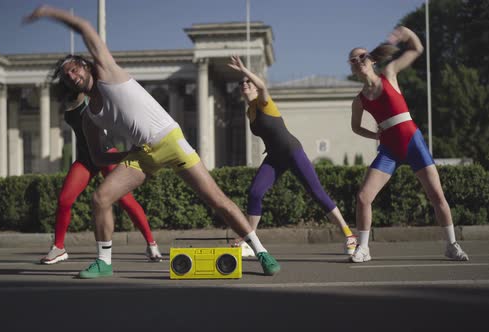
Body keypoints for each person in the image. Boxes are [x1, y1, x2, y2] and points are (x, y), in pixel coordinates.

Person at [24, 5, 280, 279]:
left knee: (217, 201)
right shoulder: (89, 117)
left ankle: (261, 252)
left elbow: (85, 27)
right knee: (101, 198)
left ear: (85, 65)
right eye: (68, 76)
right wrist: (125, 156)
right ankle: (104, 261)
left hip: (170, 140)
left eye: (74, 69)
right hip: (143, 155)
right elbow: (98, 157)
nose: (73, 76)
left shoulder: (107, 71)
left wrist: (51, 13)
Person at [348, 26, 469, 263]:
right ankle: (363, 248)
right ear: (352, 67)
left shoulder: (389, 73)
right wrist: (375, 136)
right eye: (354, 59)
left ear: (371, 60)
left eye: (363, 56)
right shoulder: (359, 100)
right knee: (363, 197)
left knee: (437, 196)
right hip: (389, 150)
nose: (359, 60)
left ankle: (452, 245)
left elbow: (417, 48)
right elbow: (355, 127)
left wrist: (406, 33)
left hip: (413, 142)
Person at [227, 56, 357, 257]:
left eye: (248, 82)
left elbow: (262, 87)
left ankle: (349, 235)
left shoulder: (263, 103)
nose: (244, 84)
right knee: (254, 193)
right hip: (275, 157)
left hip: (292, 151)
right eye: (241, 83)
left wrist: (244, 70)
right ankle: (250, 242)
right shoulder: (249, 112)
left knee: (317, 193)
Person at [40, 90, 162, 265]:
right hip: (85, 158)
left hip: (106, 154)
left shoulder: (91, 97)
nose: (71, 77)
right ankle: (58, 248)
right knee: (64, 200)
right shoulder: (66, 97)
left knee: (126, 200)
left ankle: (152, 244)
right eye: (67, 75)